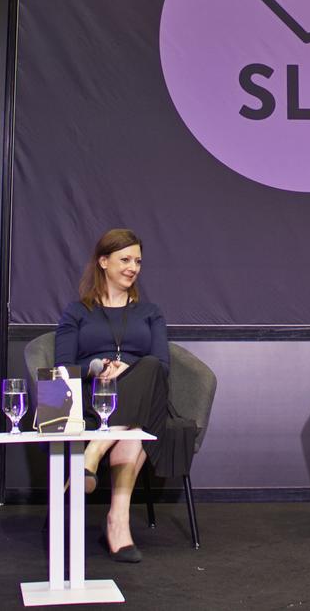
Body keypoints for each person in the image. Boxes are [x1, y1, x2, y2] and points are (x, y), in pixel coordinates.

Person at [54, 228, 192, 563]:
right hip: (93, 399)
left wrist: (125, 368)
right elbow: (62, 367)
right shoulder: (77, 312)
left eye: (138, 261)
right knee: (135, 426)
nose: (133, 267)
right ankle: (117, 524)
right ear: (103, 262)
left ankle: (93, 455)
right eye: (125, 259)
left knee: (147, 368)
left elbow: (161, 363)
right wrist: (98, 366)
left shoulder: (150, 313)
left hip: (143, 390)